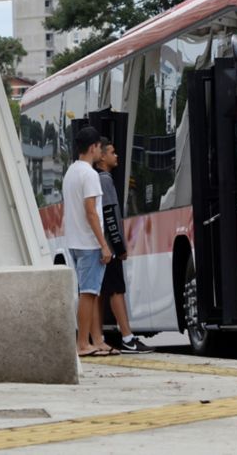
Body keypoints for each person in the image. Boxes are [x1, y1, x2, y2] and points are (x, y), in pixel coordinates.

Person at [92, 138, 152, 354]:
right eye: (112, 152)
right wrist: (119, 246)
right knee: (117, 290)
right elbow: (109, 215)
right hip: (109, 246)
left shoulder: (95, 178)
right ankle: (127, 338)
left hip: (99, 246)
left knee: (99, 292)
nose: (116, 156)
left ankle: (97, 337)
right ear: (102, 158)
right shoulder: (105, 180)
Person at [62, 125, 113, 358]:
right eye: (99, 148)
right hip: (89, 241)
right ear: (93, 147)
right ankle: (82, 343)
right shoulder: (90, 175)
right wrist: (103, 244)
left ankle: (95, 340)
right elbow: (91, 211)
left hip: (74, 240)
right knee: (89, 293)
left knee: (89, 291)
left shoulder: (71, 172)